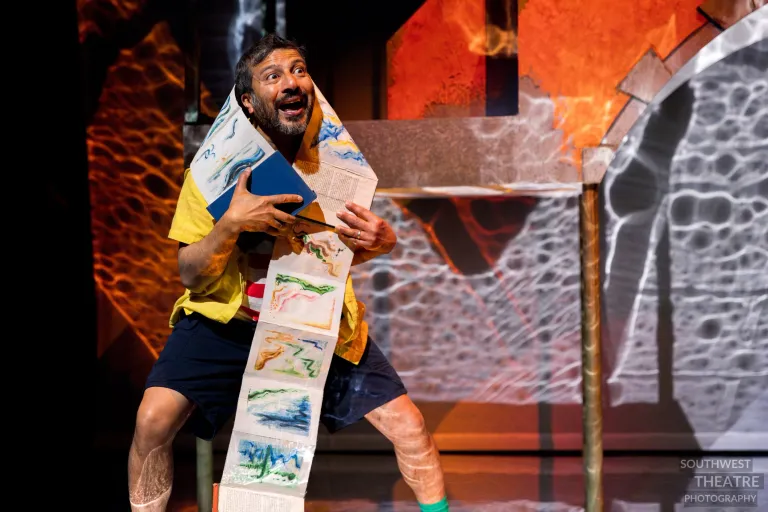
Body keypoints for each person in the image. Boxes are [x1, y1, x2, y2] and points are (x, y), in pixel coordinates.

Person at [128, 33, 450, 512]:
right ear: (250, 103)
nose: (291, 82)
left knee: (409, 426)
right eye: (273, 75)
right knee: (153, 418)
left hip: (312, 320)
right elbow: (191, 275)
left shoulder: (334, 161)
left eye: (298, 70)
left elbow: (337, 253)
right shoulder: (210, 172)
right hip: (226, 321)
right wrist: (232, 225)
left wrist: (384, 243)